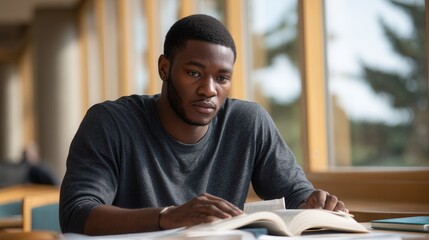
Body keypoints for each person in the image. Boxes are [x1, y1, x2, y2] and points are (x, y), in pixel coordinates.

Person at [59, 14, 347, 236]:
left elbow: (294, 194)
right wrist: (168, 216)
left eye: (222, 78)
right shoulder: (110, 123)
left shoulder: (248, 123)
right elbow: (76, 215)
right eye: (194, 73)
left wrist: (315, 203)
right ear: (164, 68)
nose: (209, 89)